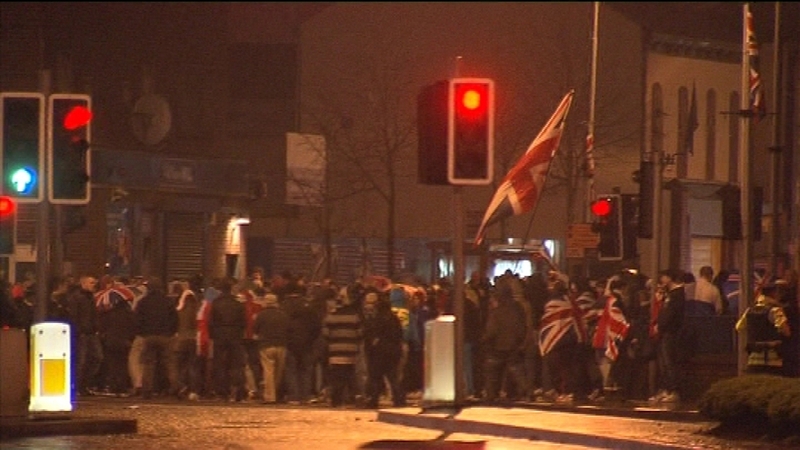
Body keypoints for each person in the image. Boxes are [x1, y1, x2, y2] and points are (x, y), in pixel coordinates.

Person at [483, 283, 528, 403]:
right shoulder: (518, 308)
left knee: (494, 371)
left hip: (499, 345)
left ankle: (492, 394)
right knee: (516, 369)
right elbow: (523, 326)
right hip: (515, 344)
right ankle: (521, 391)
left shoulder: (497, 311)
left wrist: (485, 339)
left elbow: (492, 330)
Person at [736, 281, 791, 376]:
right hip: (772, 359)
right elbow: (786, 332)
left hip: (753, 358)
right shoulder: (775, 310)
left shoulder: (749, 310)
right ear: (773, 293)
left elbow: (739, 327)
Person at [136, 276, 178, 399]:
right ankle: (175, 387)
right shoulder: (168, 301)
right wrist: (171, 332)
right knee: (169, 363)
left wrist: (142, 333)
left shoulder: (143, 302)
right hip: (165, 335)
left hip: (149, 335)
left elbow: (138, 320)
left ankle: (147, 390)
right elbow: (174, 319)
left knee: (148, 364)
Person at [322, 287, 363, 407]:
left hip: (335, 352)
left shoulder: (330, 317)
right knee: (350, 375)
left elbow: (325, 334)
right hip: (351, 351)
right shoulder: (354, 317)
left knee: (336, 377)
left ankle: (336, 400)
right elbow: (360, 333)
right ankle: (352, 398)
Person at [650, 268, 686, 404]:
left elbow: (670, 314)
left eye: (663, 277)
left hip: (670, 332)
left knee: (669, 362)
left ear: (669, 278)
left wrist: (661, 324)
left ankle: (674, 390)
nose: (661, 281)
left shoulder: (677, 294)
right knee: (663, 363)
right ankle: (666, 389)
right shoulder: (670, 294)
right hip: (664, 332)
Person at [208, 276, 247, 402]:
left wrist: (212, 335)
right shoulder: (238, 304)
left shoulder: (216, 303)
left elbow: (211, 321)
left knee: (220, 364)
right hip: (235, 335)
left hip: (220, 335)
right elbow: (243, 322)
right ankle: (238, 390)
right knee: (236, 364)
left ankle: (222, 392)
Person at [363, 292, 404, 408]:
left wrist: (371, 348)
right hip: (393, 352)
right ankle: (399, 399)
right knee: (393, 377)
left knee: (376, 377)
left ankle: (373, 400)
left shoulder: (377, 320)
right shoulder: (394, 318)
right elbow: (399, 335)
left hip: (379, 353)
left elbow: (371, 336)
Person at [68, 274, 102, 396]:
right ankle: (78, 386)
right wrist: (79, 329)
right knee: (81, 361)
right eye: (91, 283)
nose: (94, 285)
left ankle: (83, 384)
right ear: (84, 284)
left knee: (96, 358)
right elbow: (74, 315)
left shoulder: (89, 298)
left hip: (91, 332)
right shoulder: (77, 298)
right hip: (82, 333)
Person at [252, 293, 290, 404]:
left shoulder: (261, 315)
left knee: (268, 371)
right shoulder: (283, 315)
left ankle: (270, 396)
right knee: (278, 372)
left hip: (266, 345)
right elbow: (288, 329)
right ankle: (276, 393)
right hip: (281, 345)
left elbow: (255, 330)